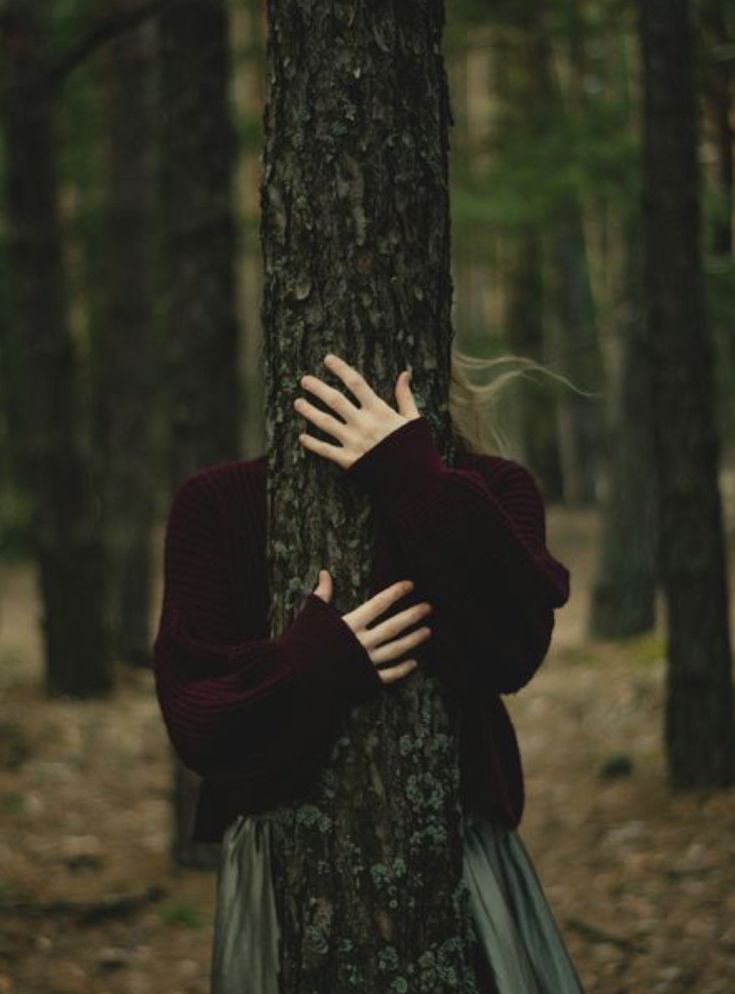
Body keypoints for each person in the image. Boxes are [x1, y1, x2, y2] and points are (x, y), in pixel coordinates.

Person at [153, 348, 586, 994]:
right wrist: (310, 665)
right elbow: (197, 723)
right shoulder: (216, 505)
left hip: (458, 859)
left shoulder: (490, 488)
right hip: (283, 877)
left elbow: (512, 648)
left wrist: (412, 478)